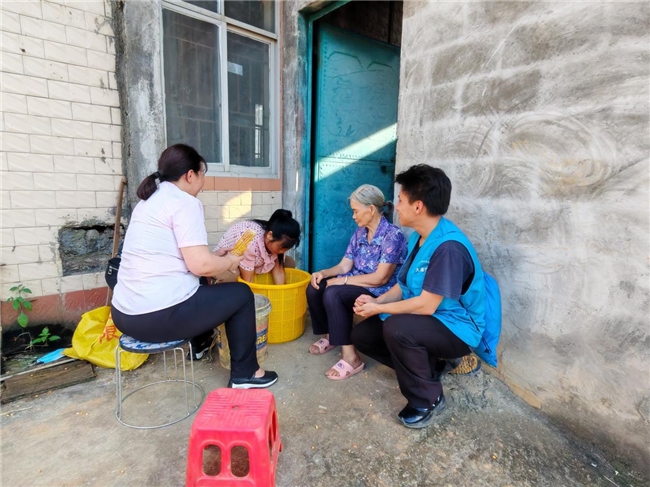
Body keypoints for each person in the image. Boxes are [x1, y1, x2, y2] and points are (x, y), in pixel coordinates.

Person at [111, 144, 278, 389]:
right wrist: (232, 261)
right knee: (241, 295)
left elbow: (190, 264)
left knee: (204, 285)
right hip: (154, 318)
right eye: (202, 176)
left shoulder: (148, 202)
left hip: (123, 315)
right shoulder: (184, 202)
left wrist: (218, 268)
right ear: (191, 175)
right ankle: (247, 373)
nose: (202, 184)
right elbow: (200, 264)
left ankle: (199, 347)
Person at [351, 165, 487, 428]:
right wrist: (376, 302)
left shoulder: (448, 247)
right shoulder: (418, 237)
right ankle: (431, 369)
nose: (396, 206)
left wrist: (380, 311)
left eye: (401, 200)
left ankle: (428, 399)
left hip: (457, 327)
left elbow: (426, 305)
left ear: (418, 206)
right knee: (363, 336)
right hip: (431, 322)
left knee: (396, 328)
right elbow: (403, 286)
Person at [307, 184, 407, 380]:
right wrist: (324, 273)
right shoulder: (360, 233)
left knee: (333, 293)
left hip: (379, 290)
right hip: (355, 281)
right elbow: (345, 265)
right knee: (316, 287)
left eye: (355, 211)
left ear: (371, 209)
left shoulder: (392, 236)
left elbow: (380, 278)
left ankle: (351, 358)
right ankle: (331, 335)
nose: (353, 216)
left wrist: (343, 281)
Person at [212, 210, 300, 285]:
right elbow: (248, 280)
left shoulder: (279, 239)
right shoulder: (251, 241)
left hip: (255, 261)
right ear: (270, 235)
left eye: (286, 249)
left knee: (289, 263)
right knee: (231, 277)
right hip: (230, 261)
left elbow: (279, 270)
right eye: (281, 248)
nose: (282, 251)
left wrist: (282, 293)